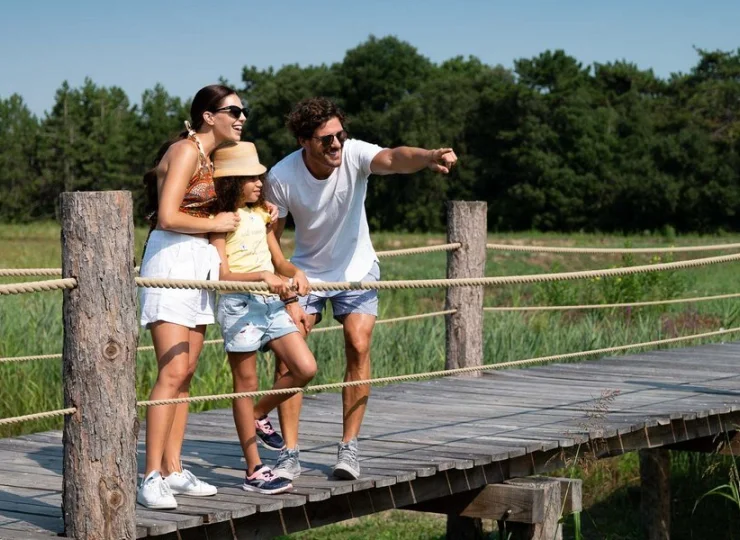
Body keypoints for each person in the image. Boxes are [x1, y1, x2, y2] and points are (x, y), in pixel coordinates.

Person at [265, 97, 457, 480]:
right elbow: (271, 237)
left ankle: (348, 449)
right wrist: (285, 278)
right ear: (305, 141)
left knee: (358, 342)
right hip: (307, 272)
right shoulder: (282, 176)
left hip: (357, 266)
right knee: (290, 355)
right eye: (325, 139)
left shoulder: (353, 155)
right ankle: (288, 454)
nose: (335, 144)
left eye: (339, 135)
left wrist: (428, 155)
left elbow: (393, 157)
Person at [137, 84, 277, 509]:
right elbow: (167, 215)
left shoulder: (208, 157)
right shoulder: (184, 151)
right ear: (206, 116)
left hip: (197, 263)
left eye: (243, 110)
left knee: (188, 370)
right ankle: (150, 477)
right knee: (172, 371)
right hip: (172, 261)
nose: (241, 117)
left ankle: (174, 468)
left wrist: (258, 211)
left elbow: (223, 204)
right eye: (233, 110)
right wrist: (218, 219)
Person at [210, 141, 317, 494]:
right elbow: (221, 276)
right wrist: (260, 278)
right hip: (238, 304)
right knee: (245, 382)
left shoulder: (262, 216)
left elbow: (279, 260)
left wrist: (294, 272)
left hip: (270, 302)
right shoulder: (222, 220)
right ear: (232, 182)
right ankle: (254, 470)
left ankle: (257, 414)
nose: (260, 183)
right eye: (252, 178)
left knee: (305, 368)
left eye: (260, 176)